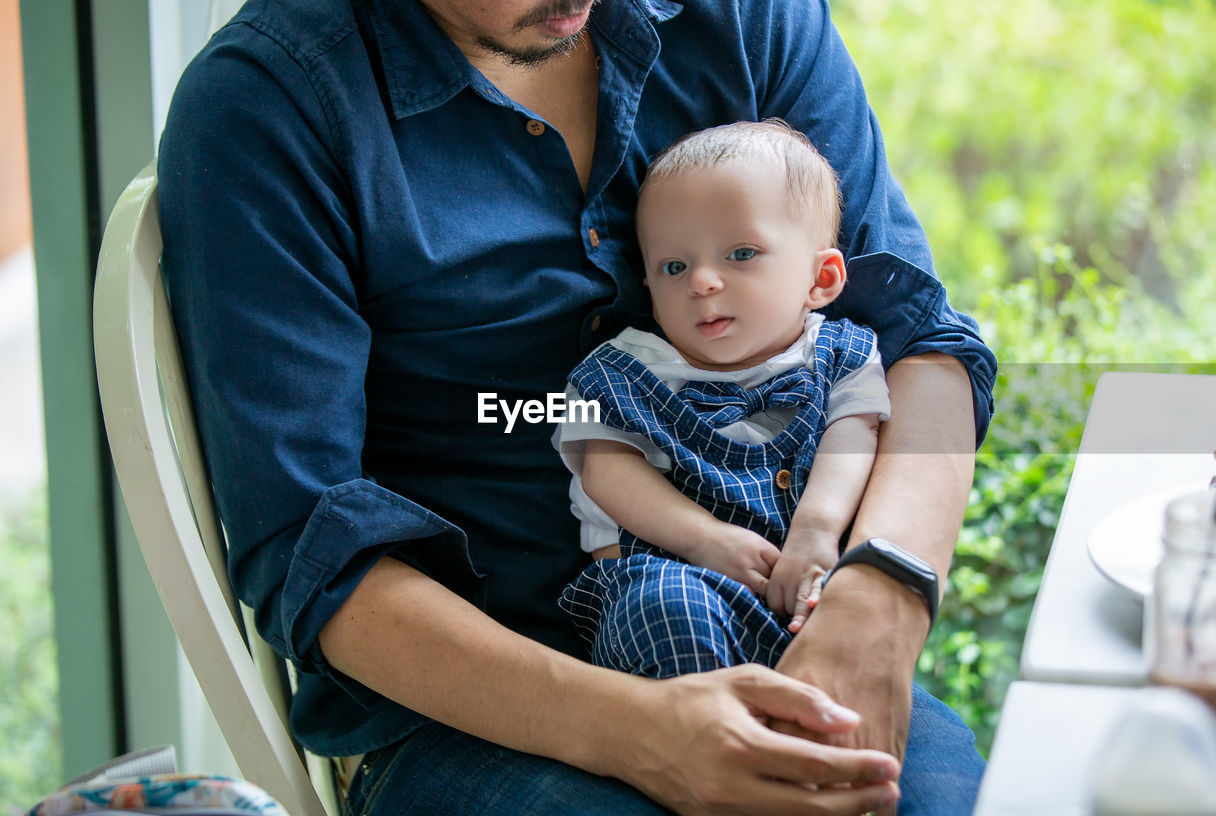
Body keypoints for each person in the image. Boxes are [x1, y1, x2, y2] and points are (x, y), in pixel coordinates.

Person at [156, 0, 997, 813]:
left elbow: (914, 338)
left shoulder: (747, 16)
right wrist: (640, 731)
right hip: (482, 707)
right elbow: (311, 546)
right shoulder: (270, 104)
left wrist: (884, 592)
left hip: (781, 626)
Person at [556, 121, 889, 679]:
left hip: (800, 576)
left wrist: (815, 531)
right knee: (670, 612)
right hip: (666, 582)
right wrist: (706, 541)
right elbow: (606, 474)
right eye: (674, 267)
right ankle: (698, 735)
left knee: (849, 625)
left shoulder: (841, 353)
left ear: (821, 278)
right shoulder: (623, 374)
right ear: (651, 296)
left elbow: (854, 434)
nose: (703, 281)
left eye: (741, 253)